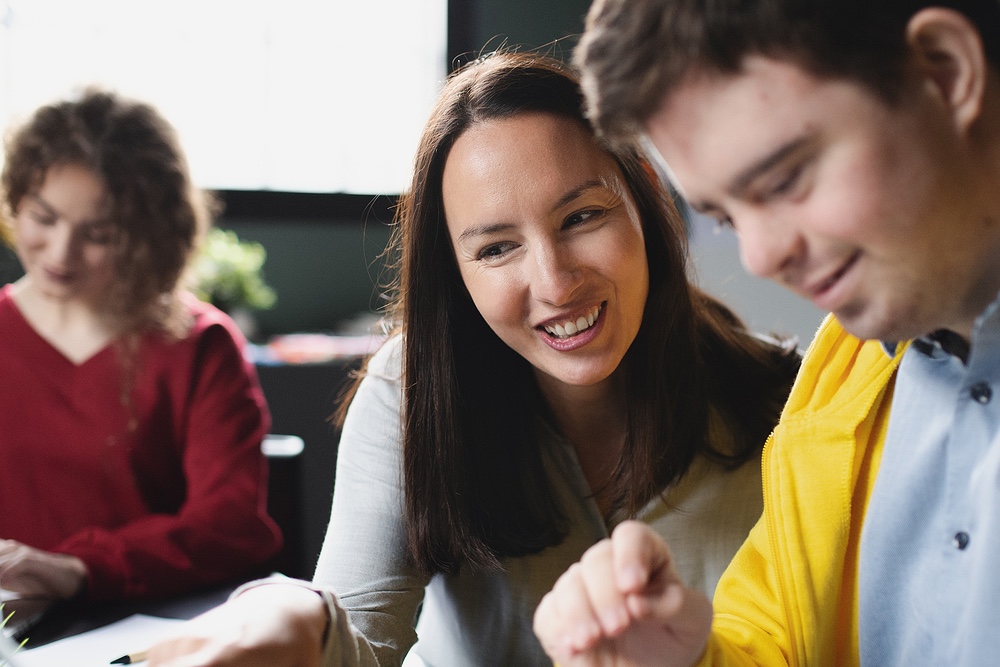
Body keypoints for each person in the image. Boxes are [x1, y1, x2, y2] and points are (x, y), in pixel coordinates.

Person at [142, 52, 799, 666]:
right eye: (495, 249)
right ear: (454, 274)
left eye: (583, 216)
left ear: (645, 202)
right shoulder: (411, 389)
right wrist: (300, 617)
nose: (554, 281)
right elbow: (361, 644)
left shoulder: (791, 401)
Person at [531, 1, 1000, 666]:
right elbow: (778, 641)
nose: (759, 256)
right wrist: (680, 658)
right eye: (724, 215)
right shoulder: (835, 394)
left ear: (947, 74)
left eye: (785, 178)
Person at [0, 89, 282, 604]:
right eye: (43, 218)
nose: (61, 252)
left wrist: (79, 569)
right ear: (16, 201)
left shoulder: (198, 345)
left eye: (99, 234)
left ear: (144, 235)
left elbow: (229, 524)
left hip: (148, 625)